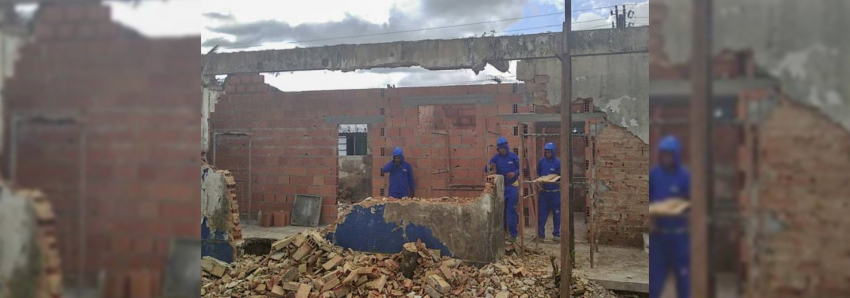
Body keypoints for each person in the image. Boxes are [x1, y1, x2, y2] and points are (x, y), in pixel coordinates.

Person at [649, 136, 691, 298]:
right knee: (656, 280)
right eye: (664, 154)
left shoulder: (685, 176)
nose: (667, 158)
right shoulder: (655, 175)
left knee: (684, 280)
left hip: (680, 236)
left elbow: (692, 202)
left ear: (676, 155)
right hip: (659, 236)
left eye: (670, 154)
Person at [485, 137, 520, 242]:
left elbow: (520, 169)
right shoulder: (496, 158)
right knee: (502, 211)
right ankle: (503, 232)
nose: (503, 150)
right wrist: (490, 167)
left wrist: (514, 173)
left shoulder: (513, 157)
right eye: (501, 148)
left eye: (504, 147)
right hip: (501, 188)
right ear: (498, 149)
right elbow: (486, 168)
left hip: (512, 187)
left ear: (507, 146)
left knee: (511, 210)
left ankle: (513, 234)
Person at [536, 142, 561, 242]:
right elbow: (538, 174)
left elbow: (560, 175)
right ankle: (541, 235)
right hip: (544, 193)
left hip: (555, 192)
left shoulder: (558, 162)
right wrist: (539, 183)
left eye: (549, 152)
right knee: (542, 215)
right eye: (546, 152)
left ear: (553, 152)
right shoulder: (541, 162)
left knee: (557, 214)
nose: (547, 154)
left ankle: (556, 234)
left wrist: (554, 178)